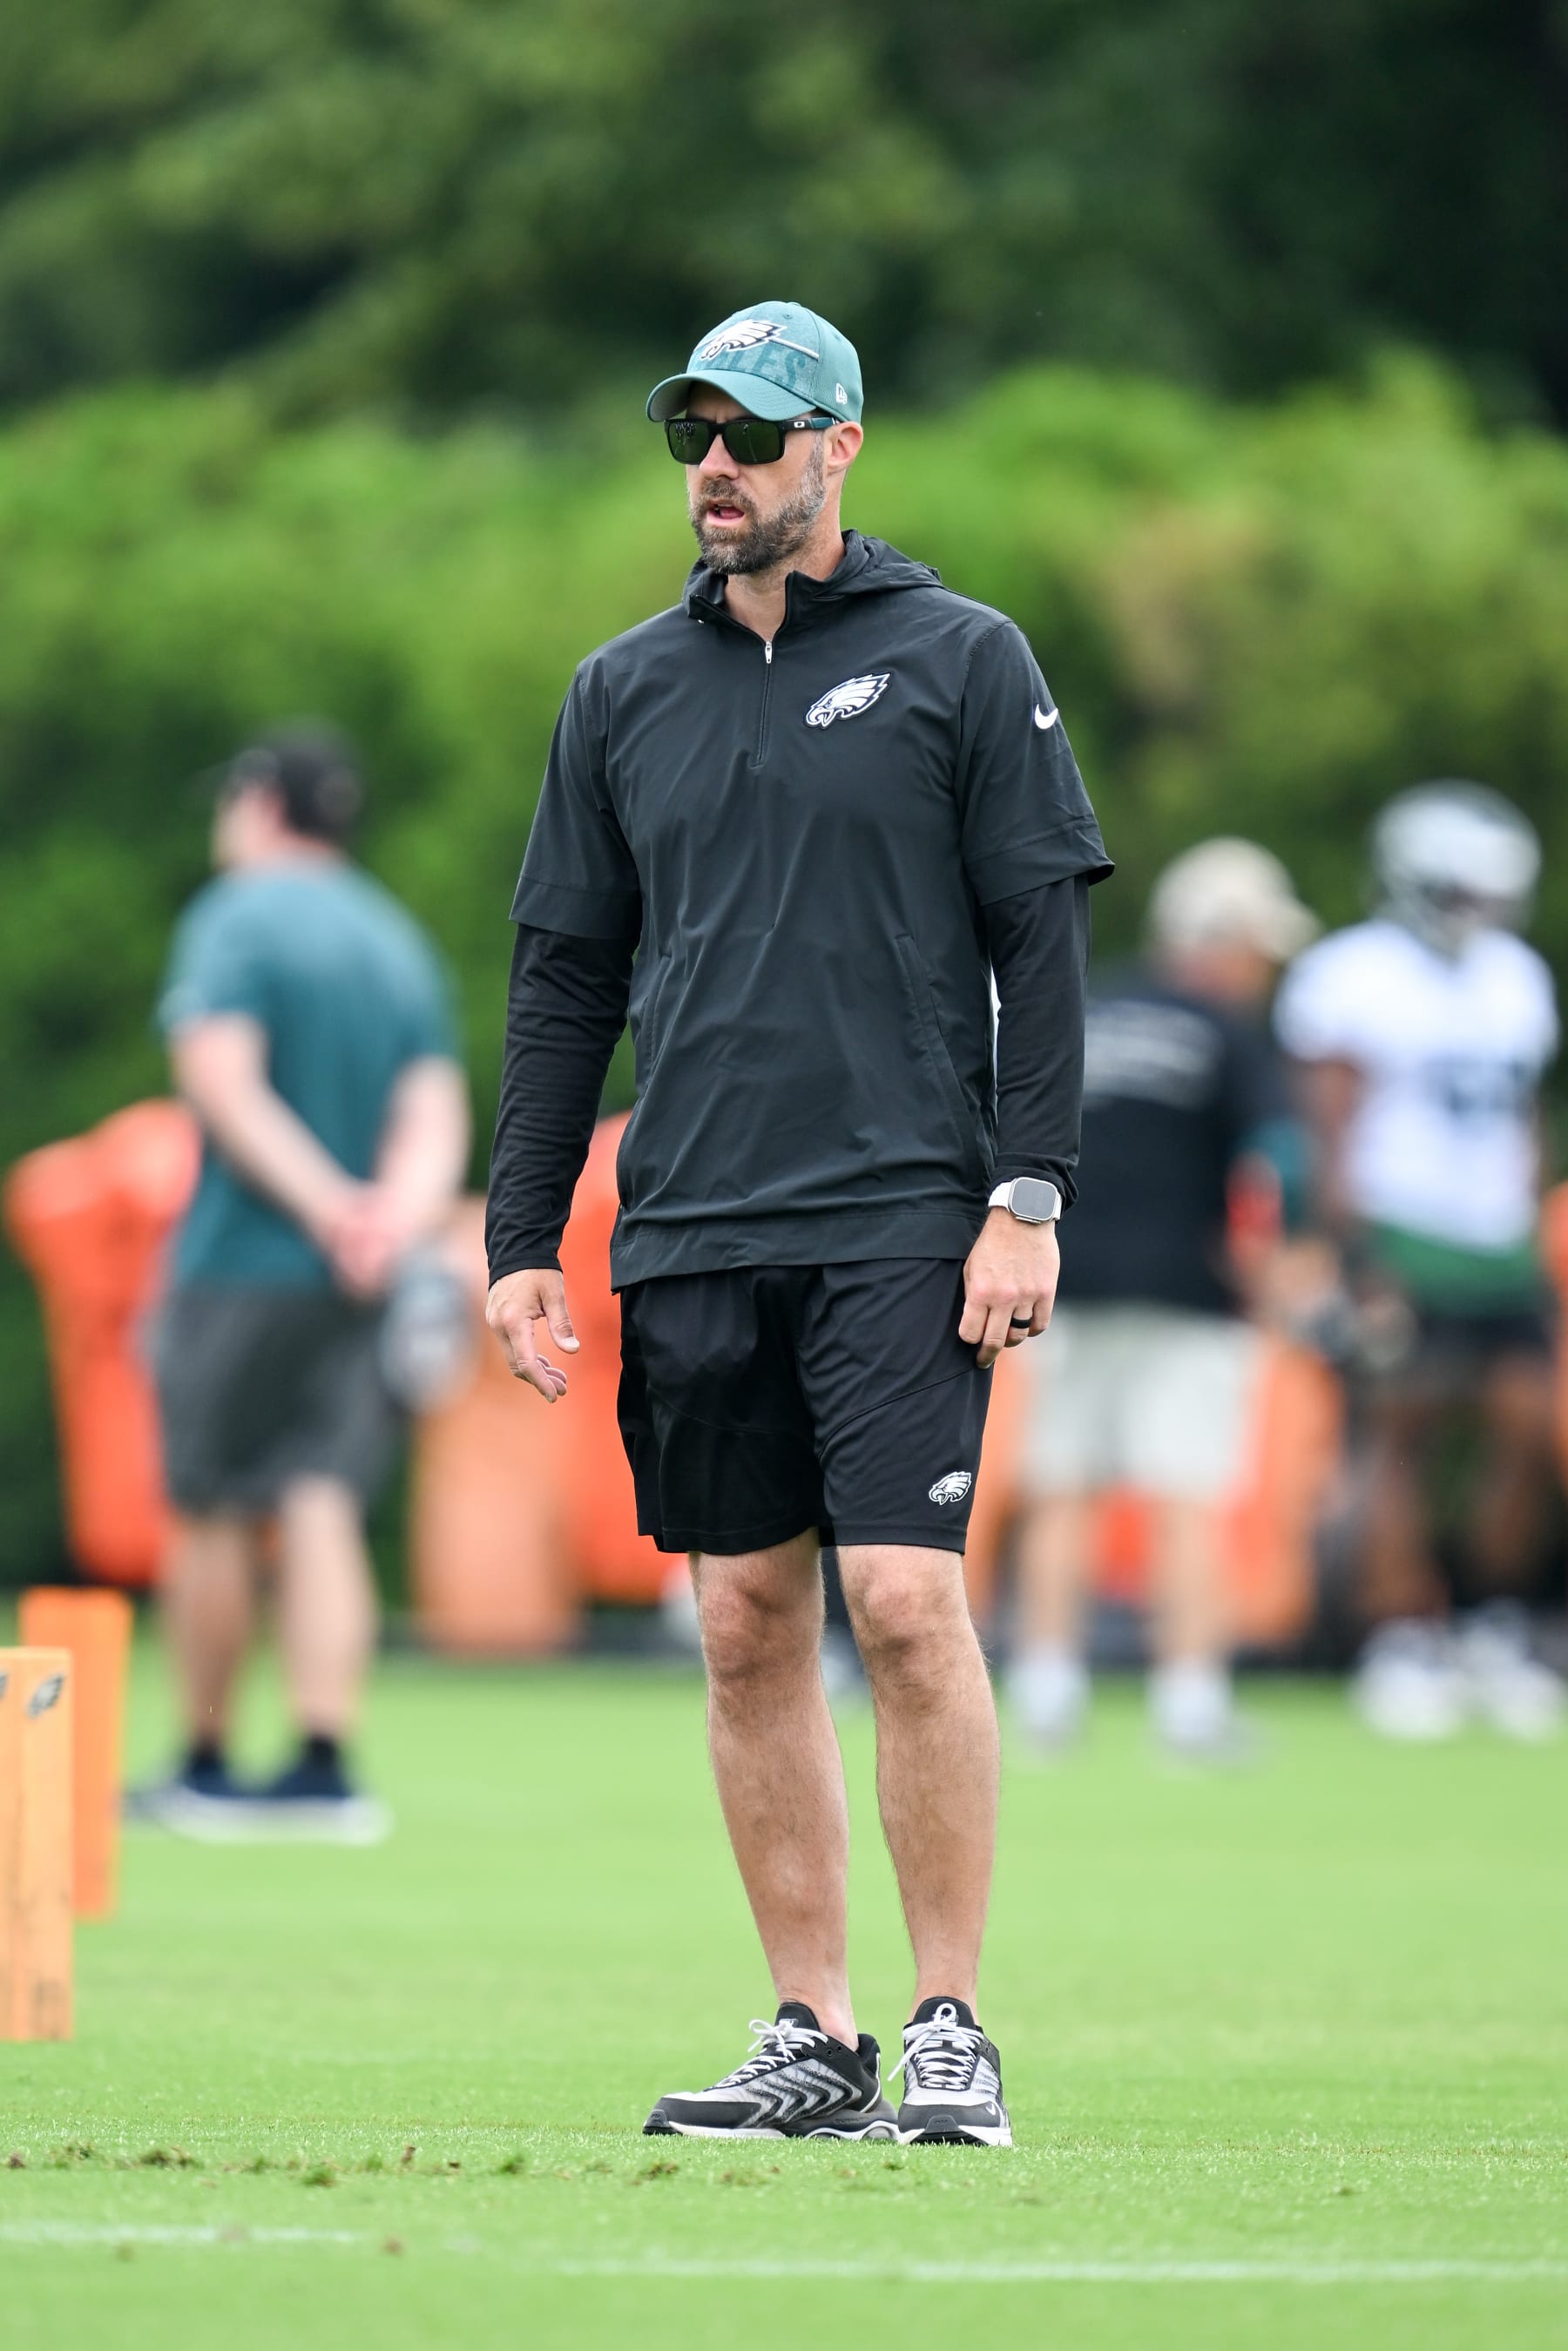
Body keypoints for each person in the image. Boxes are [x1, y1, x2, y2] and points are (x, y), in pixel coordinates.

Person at [485, 301, 1111, 2145]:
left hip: (906, 1211)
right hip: (688, 1220)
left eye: (753, 437)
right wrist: (525, 1228)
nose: (716, 469)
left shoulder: (963, 659)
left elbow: (1042, 950)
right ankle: (813, 2032)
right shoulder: (619, 691)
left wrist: (1029, 1194)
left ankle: (946, 2026)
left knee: (907, 1605)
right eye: (697, 436)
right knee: (748, 1626)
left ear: (839, 448)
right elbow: (561, 981)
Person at [145, 725, 470, 1840]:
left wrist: (330, 1205)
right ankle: (325, 1762)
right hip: (370, 1269)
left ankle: (205, 1762)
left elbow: (220, 1082)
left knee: (213, 1503)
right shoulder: (391, 935)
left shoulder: (235, 916)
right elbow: (433, 1108)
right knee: (323, 1493)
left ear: (259, 804)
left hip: (247, 1258)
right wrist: (391, 1214)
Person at [1007, 840, 1318, 1760]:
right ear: (1223, 941)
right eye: (1259, 949)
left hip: (1061, 1282)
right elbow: (1281, 1162)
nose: (1262, 972)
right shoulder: (1225, 1029)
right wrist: (1290, 1259)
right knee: (1187, 1494)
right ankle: (1188, 1700)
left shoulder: (1085, 1003)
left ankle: (1046, 1694)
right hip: (1190, 1296)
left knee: (1061, 1487)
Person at [1276, 782, 1566, 1741]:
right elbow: (1329, 1121)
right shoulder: (1353, 974)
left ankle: (1490, 1618)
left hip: (1494, 1239)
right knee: (1399, 1432)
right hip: (1401, 1228)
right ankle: (1403, 1633)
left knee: (1530, 1427)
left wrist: (1526, 1218)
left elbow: (1524, 1115)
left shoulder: (1516, 975)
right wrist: (1354, 1251)